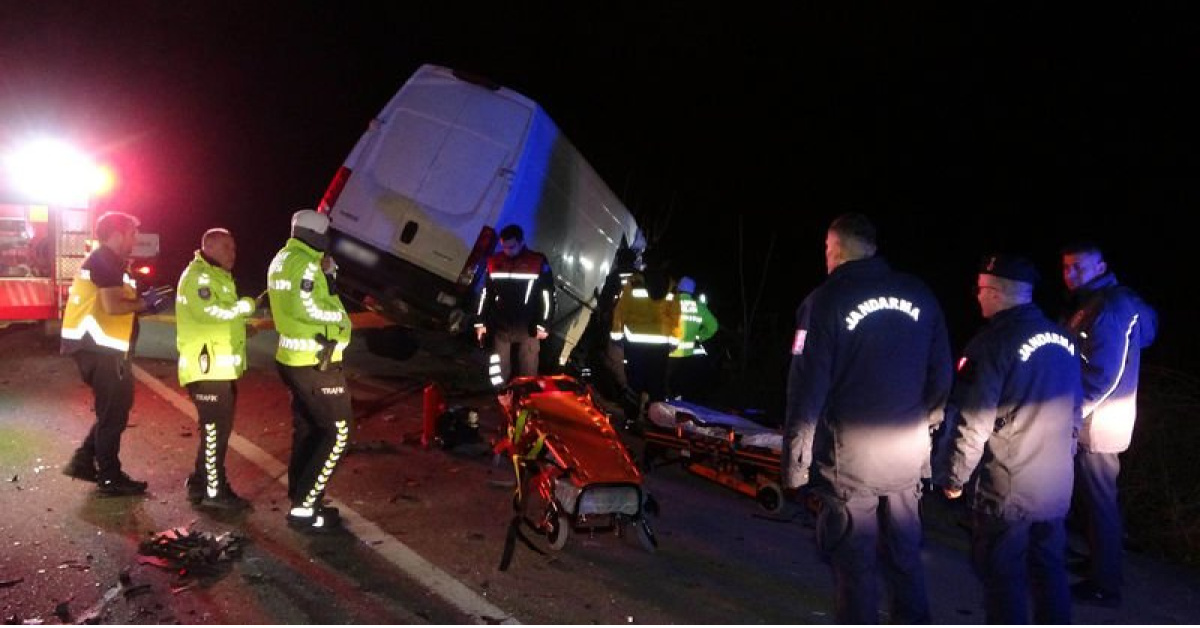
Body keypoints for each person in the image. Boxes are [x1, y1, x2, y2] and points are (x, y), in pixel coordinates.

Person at [782, 212, 952, 624]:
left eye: (826, 248)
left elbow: (807, 392)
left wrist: (794, 465)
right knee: (905, 557)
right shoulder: (921, 295)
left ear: (835, 248)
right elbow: (943, 375)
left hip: (848, 463)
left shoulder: (823, 302)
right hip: (907, 457)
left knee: (855, 565)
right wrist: (923, 425)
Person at [934, 254, 1082, 624]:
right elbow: (1076, 412)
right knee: (1049, 572)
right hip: (1055, 484)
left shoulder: (992, 344)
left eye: (981, 289)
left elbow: (973, 419)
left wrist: (954, 476)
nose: (977, 297)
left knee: (1003, 577)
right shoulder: (1064, 340)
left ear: (997, 292)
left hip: (1009, 486)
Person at [1060, 241, 1157, 607]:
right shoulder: (1092, 302)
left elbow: (1106, 374)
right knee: (1096, 498)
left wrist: (1074, 413)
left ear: (1100, 266)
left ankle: (1105, 583)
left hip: (1098, 421)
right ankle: (1101, 560)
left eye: (1079, 267)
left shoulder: (1109, 307)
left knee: (1100, 500)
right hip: (1098, 418)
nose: (1071, 274)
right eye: (1067, 267)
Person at [60, 211, 171, 497]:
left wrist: (144, 299)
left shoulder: (111, 262)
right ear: (118, 234)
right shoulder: (104, 259)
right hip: (100, 347)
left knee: (114, 408)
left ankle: (84, 461)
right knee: (114, 414)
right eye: (133, 234)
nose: (136, 240)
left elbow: (121, 300)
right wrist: (145, 305)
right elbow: (112, 306)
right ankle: (109, 477)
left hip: (101, 347)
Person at [267, 209, 353, 533]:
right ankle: (305, 508)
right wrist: (339, 319)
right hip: (316, 360)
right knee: (338, 432)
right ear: (317, 234)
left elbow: (300, 301)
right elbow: (309, 306)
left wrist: (328, 277)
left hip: (295, 357)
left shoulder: (282, 258)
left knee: (309, 430)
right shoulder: (304, 264)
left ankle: (302, 497)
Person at [176, 228, 259, 510]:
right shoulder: (199, 276)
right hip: (206, 369)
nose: (232, 254)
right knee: (215, 433)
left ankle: (200, 483)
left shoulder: (218, 277)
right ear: (208, 246)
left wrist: (241, 328)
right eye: (226, 247)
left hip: (218, 369)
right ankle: (215, 492)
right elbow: (208, 312)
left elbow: (217, 316)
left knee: (217, 431)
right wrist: (244, 309)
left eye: (234, 248)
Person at [473, 224, 556, 388]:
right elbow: (486, 294)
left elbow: (547, 296)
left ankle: (526, 400)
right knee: (497, 368)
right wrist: (480, 322)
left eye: (511, 247)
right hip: (502, 325)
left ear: (521, 242)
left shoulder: (537, 262)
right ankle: (500, 395)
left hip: (528, 326)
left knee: (528, 369)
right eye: (504, 247)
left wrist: (543, 324)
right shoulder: (495, 262)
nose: (507, 251)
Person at [609, 255, 681, 428]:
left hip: (635, 342)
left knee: (635, 382)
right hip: (660, 343)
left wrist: (616, 335)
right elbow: (676, 316)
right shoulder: (671, 286)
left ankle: (631, 418)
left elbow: (621, 309)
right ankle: (657, 423)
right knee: (657, 384)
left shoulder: (634, 282)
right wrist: (674, 340)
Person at [666, 275, 719, 401]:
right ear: (692, 291)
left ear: (678, 289)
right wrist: (699, 336)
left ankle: (664, 406)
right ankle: (679, 404)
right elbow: (713, 326)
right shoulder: (700, 307)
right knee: (680, 382)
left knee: (664, 380)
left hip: (669, 351)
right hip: (688, 354)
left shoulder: (670, 302)